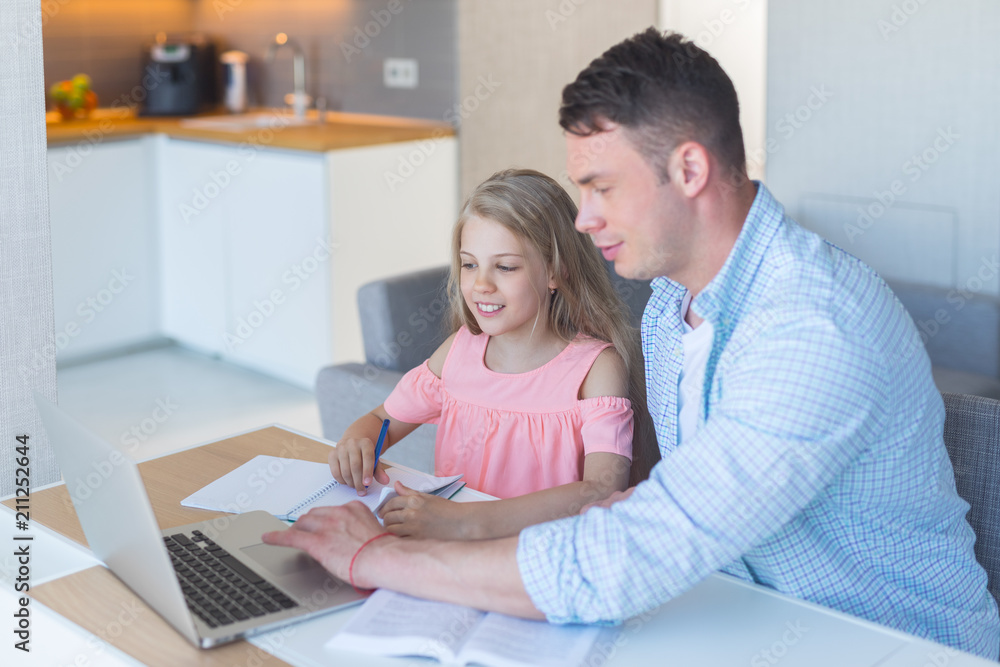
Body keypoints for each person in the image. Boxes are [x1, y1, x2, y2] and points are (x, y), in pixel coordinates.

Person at [266, 29, 1000, 658]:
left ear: (688, 169)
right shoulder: (671, 305)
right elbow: (654, 508)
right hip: (730, 613)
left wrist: (379, 555)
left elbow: (641, 548)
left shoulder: (814, 329)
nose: (582, 220)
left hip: (881, 643)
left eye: (601, 187)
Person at [329, 168, 657, 540]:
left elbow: (602, 489)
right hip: (453, 552)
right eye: (470, 265)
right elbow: (381, 419)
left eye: (504, 267)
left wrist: (467, 521)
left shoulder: (596, 367)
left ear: (555, 271)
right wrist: (358, 441)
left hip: (543, 562)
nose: (481, 284)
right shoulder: (457, 352)